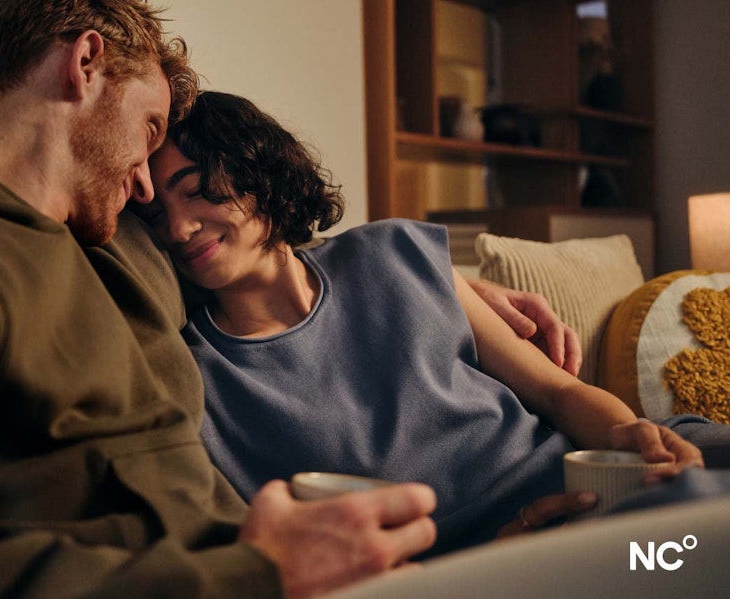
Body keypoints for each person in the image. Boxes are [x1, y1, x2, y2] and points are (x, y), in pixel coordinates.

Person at [0, 2, 440, 598]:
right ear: (86, 62)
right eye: (149, 128)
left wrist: (442, 278)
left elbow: (269, 240)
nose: (147, 182)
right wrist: (259, 575)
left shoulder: (120, 243)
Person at [135, 90, 729, 557]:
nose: (179, 229)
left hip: (599, 471)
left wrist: (629, 438)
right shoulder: (198, 377)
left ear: (258, 174)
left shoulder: (396, 252)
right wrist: (492, 560)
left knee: (700, 487)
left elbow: (559, 389)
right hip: (513, 553)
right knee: (687, 542)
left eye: (198, 193)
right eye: (159, 215)